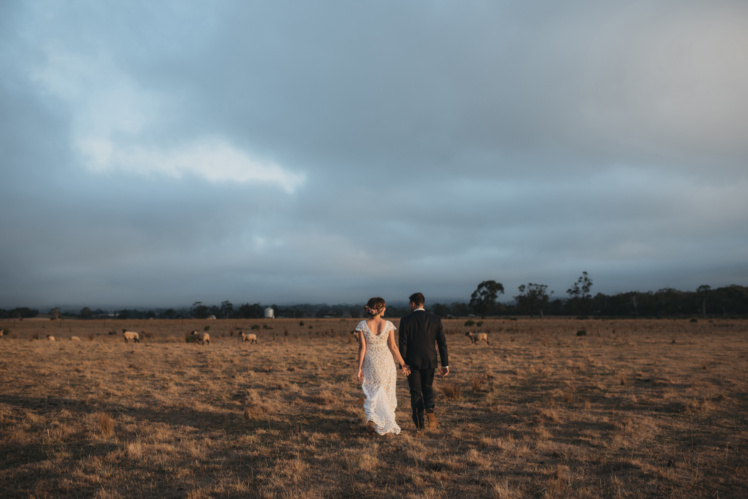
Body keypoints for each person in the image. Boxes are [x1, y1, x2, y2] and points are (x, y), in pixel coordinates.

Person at [356, 297, 410, 435]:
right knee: (386, 391)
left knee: (372, 391)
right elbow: (393, 347)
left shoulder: (362, 324)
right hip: (386, 361)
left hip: (370, 361)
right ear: (380, 309)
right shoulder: (388, 324)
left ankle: (372, 420)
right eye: (384, 307)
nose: (385, 309)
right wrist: (403, 364)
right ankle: (382, 421)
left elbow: (362, 348)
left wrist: (359, 368)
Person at [398, 292, 449, 431]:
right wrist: (445, 364)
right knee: (427, 387)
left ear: (413, 304)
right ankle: (430, 410)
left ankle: (420, 425)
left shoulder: (405, 320)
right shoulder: (435, 319)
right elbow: (442, 343)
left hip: (411, 362)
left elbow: (402, 344)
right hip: (430, 361)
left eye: (410, 304)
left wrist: (402, 364)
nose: (409, 306)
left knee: (415, 392)